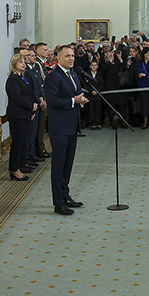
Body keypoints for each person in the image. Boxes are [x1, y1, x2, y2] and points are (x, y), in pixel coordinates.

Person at [43, 45, 89, 215]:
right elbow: (53, 101)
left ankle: (66, 195)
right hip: (60, 128)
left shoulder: (74, 74)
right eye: (67, 56)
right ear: (59, 58)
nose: (71, 58)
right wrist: (73, 101)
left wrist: (80, 99)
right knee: (58, 165)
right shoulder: (53, 77)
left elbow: (75, 94)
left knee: (68, 164)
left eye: (72, 55)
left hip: (72, 126)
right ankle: (58, 202)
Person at [5, 53, 37, 181]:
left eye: (24, 61)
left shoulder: (23, 77)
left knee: (23, 142)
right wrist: (31, 106)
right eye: (21, 62)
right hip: (17, 115)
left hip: (25, 114)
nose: (24, 64)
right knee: (17, 143)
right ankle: (14, 169)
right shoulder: (13, 79)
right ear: (14, 64)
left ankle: (19, 166)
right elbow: (17, 98)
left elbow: (28, 94)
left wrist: (32, 108)